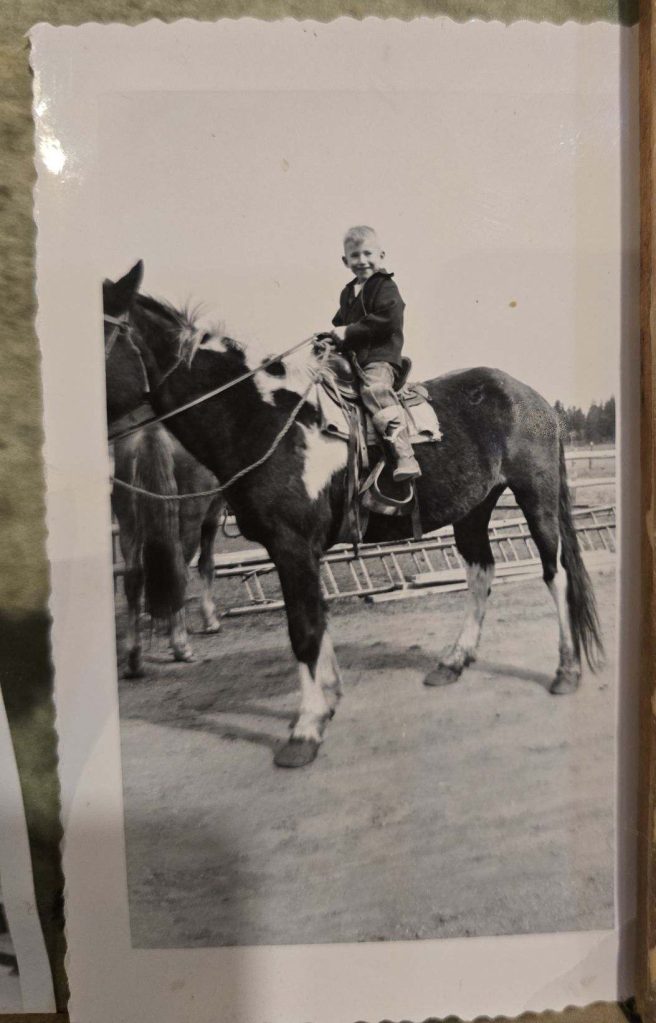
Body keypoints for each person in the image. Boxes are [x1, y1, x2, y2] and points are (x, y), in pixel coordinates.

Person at [325, 225, 421, 482]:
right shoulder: (348, 292)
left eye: (368, 253)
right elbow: (340, 324)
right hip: (353, 360)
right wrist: (329, 337)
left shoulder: (384, 286)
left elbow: (389, 319)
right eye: (355, 255)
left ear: (381, 255)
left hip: (379, 357)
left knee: (374, 390)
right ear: (345, 261)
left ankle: (404, 455)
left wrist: (349, 332)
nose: (362, 260)